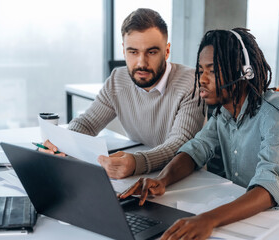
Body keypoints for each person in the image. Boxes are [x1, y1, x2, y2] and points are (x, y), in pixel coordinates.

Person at [118, 29, 279, 239]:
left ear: (244, 72)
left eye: (213, 71)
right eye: (201, 70)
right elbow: (195, 150)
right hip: (252, 215)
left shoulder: (277, 116)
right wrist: (162, 180)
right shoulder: (224, 112)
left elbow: (269, 189)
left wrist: (208, 219)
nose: (203, 80)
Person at [41, 8, 204, 179]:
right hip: (138, 177)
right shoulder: (117, 79)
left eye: (152, 52)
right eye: (133, 52)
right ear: (124, 50)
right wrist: (62, 143)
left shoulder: (191, 83)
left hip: (183, 178)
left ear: (167, 51)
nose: (141, 63)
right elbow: (88, 123)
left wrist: (136, 163)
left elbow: (179, 145)